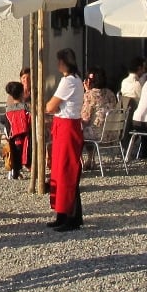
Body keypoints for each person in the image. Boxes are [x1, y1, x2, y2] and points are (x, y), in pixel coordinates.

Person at [46, 50, 85, 232]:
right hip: (66, 125)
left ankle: (71, 215)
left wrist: (51, 107)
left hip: (67, 126)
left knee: (67, 171)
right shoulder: (76, 80)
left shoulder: (68, 81)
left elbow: (51, 105)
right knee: (60, 171)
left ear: (63, 62)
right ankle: (62, 213)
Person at [81, 68, 118, 141]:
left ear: (88, 81)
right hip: (112, 134)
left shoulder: (89, 95)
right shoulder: (110, 93)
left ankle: (89, 152)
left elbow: (85, 118)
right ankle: (91, 152)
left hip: (97, 134)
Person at [2, 81, 30, 180]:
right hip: (26, 136)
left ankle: (15, 171)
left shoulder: (8, 110)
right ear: (22, 93)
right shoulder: (26, 108)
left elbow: (6, 124)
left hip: (13, 137)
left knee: (14, 154)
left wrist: (8, 135)